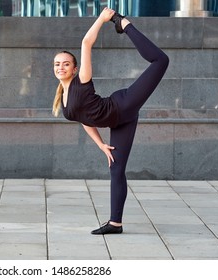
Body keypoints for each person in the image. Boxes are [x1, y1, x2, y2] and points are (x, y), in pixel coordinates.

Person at [52, 7, 169, 234]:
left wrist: (104, 18)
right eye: (57, 64)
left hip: (123, 104)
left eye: (66, 63)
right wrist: (101, 145)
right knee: (116, 170)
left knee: (161, 61)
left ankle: (124, 24)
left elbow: (86, 43)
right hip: (120, 122)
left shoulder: (82, 80)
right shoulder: (64, 100)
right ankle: (115, 223)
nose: (61, 67)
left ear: (74, 68)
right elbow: (85, 120)